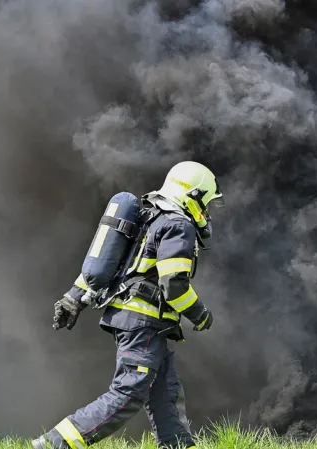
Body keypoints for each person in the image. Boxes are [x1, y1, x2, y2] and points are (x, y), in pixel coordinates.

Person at [32, 161, 224, 449]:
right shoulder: (178, 225)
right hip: (143, 323)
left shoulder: (149, 218)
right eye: (206, 203)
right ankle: (52, 444)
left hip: (136, 320)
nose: (206, 213)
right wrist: (200, 315)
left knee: (164, 393)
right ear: (193, 196)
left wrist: (74, 297)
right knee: (128, 393)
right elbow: (173, 285)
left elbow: (112, 262)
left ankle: (179, 446)